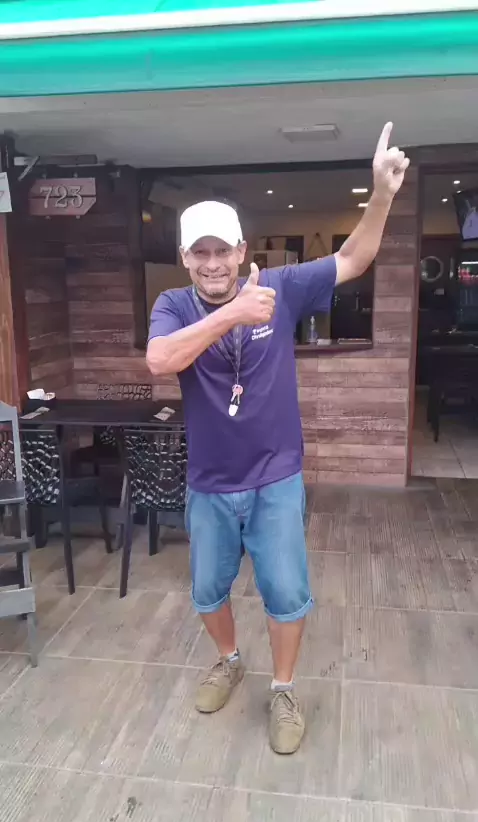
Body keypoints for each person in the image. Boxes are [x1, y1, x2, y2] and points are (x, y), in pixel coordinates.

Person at [147, 123, 409, 755]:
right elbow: (160, 361)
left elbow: (354, 259)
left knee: (286, 594)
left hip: (275, 478)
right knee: (207, 591)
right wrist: (233, 314)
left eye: (223, 250)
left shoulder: (282, 287)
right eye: (200, 253)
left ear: (242, 251)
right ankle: (230, 659)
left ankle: (284, 689)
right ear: (186, 258)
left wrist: (381, 195)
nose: (213, 263)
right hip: (210, 482)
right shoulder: (174, 306)